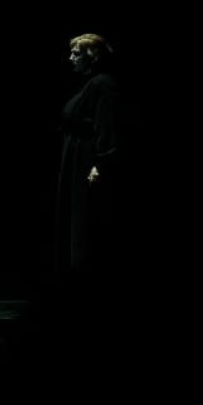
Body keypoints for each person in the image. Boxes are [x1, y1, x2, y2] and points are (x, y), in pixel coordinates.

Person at [57, 33, 124, 282]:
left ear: (92, 56)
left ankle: (88, 278)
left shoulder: (103, 84)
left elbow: (107, 126)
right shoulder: (90, 84)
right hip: (77, 160)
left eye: (76, 54)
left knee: (86, 221)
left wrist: (100, 163)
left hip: (87, 163)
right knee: (76, 220)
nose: (70, 58)